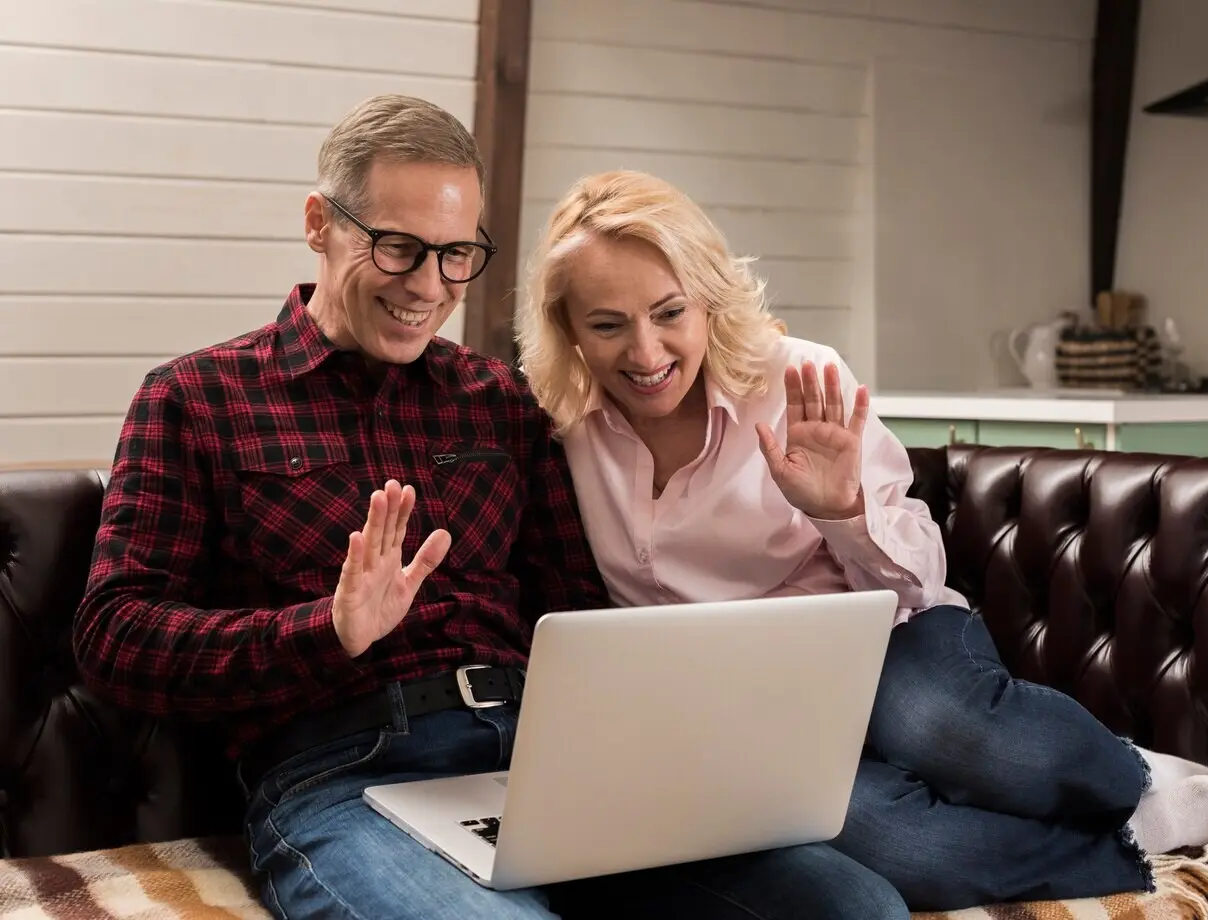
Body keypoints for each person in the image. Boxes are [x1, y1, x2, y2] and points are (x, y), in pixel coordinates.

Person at [70, 96, 912, 920]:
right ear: (320, 224)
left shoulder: (501, 401)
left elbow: (580, 610)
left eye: (455, 254)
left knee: (857, 906)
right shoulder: (196, 398)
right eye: (399, 248)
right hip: (346, 775)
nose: (428, 286)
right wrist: (325, 631)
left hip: (548, 761)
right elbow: (114, 634)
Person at [513, 168, 1208, 911]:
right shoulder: (562, 426)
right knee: (897, 845)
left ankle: (1135, 779)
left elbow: (916, 580)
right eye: (607, 325)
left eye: (669, 312)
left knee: (949, 729)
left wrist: (840, 509)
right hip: (739, 710)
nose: (646, 354)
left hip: (884, 636)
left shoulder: (799, 380)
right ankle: (1133, 834)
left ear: (708, 297)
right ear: (568, 330)